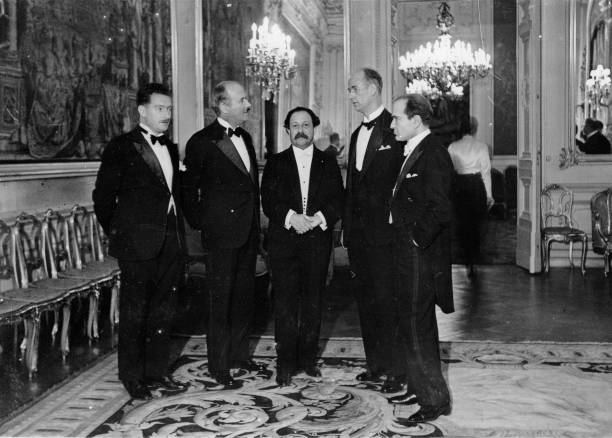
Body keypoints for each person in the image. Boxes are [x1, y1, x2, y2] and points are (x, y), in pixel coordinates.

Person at [93, 83, 186, 400]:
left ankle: (157, 372)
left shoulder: (170, 147)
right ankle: (132, 377)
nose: (167, 114)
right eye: (160, 108)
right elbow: (103, 198)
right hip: (136, 244)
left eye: (169, 109)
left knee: (163, 310)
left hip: (170, 241)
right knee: (135, 311)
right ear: (142, 111)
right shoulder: (121, 147)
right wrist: (121, 234)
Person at [182, 80, 264, 389]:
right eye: (242, 100)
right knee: (220, 302)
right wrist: (204, 224)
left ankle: (240, 356)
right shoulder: (202, 141)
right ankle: (219, 366)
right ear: (223, 104)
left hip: (247, 233)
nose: (248, 105)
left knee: (243, 298)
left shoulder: (245, 137)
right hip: (220, 236)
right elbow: (188, 191)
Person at [261, 107, 344, 386]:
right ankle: (285, 364)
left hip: (316, 242)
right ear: (287, 130)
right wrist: (291, 218)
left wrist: (318, 219)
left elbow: (337, 199)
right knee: (284, 303)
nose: (300, 130)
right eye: (295, 125)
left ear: (314, 129)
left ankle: (308, 360)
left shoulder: (328, 162)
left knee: (313, 302)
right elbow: (268, 200)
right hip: (284, 242)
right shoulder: (275, 162)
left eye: (306, 125)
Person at [387, 94, 454, 423]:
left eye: (397, 118)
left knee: (417, 325)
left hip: (418, 254)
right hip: (406, 251)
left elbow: (440, 208)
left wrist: (415, 239)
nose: (392, 124)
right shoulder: (415, 148)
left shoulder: (433, 152)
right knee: (411, 322)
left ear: (416, 120)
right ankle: (418, 387)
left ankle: (433, 400)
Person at [343, 67, 405, 393]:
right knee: (366, 303)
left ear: (374, 88)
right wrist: (347, 231)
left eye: (355, 88)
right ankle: (375, 365)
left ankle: (396, 371)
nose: (351, 95)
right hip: (359, 238)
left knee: (388, 302)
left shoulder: (396, 129)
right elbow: (352, 188)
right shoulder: (356, 135)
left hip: (387, 235)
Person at [448, 116, 493, 277]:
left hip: (459, 186)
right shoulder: (481, 147)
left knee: (462, 223)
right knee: (476, 223)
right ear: (474, 129)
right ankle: (473, 256)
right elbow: (486, 172)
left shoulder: (453, 147)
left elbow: (449, 171)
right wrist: (489, 195)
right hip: (476, 186)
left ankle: (467, 256)